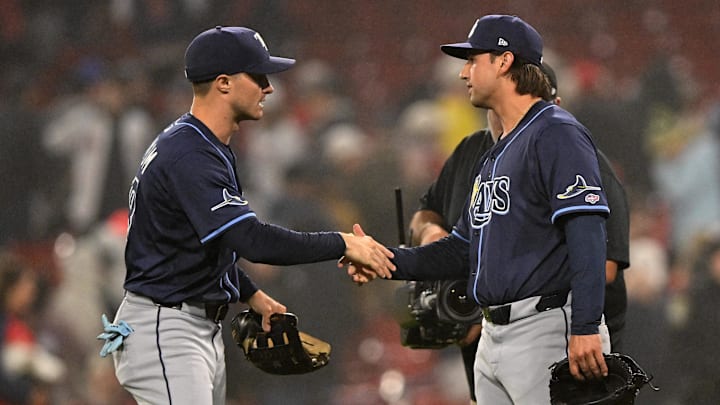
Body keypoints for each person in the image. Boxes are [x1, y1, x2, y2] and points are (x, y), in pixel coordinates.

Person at [102, 26, 395, 405]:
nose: (268, 87)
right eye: (257, 76)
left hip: (186, 323)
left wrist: (251, 294)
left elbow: (200, 245)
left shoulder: (198, 143)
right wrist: (342, 242)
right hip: (167, 326)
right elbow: (251, 241)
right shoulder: (191, 154)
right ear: (223, 83)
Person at [346, 15, 611, 404]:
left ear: (504, 61)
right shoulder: (494, 155)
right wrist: (385, 259)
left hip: (546, 328)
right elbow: (459, 249)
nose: (463, 73)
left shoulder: (555, 131)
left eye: (473, 60)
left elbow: (586, 231)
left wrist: (586, 326)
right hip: (493, 335)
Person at [407, 61, 630, 403]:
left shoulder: (580, 157)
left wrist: (512, 291)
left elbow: (605, 263)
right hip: (487, 341)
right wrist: (431, 233)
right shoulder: (475, 154)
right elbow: (425, 212)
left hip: (557, 335)